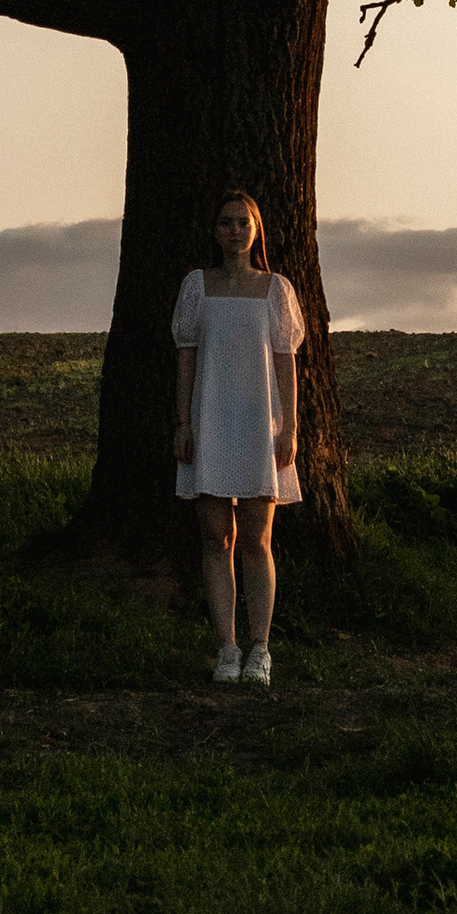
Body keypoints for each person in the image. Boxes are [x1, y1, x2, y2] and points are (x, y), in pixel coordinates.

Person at [171, 187, 305, 686]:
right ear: (214, 230)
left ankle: (260, 649)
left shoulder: (276, 289)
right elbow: (186, 356)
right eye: (226, 222)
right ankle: (227, 647)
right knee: (216, 538)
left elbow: (285, 363)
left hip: (258, 425)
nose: (234, 230)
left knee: (256, 539)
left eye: (242, 222)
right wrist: (182, 423)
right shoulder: (196, 287)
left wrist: (289, 428)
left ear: (256, 229)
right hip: (208, 421)